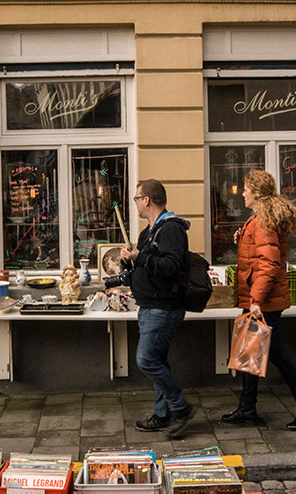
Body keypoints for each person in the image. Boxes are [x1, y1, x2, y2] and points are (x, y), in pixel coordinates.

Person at [222, 170, 296, 431]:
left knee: (276, 354)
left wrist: (256, 300)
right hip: (257, 298)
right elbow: (259, 254)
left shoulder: (263, 222)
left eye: (245, 189)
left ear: (256, 192)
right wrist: (241, 238)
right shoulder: (257, 220)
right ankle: (247, 408)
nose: (242, 193)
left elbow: (269, 263)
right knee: (249, 354)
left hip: (263, 301)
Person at [119, 179, 196, 438]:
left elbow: (172, 266)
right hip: (149, 306)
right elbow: (144, 266)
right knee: (158, 360)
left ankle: (181, 407)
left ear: (147, 200)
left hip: (164, 307)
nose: (136, 204)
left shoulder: (171, 229)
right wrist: (128, 263)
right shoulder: (148, 231)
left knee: (147, 360)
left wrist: (139, 257)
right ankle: (163, 415)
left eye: (136, 198)